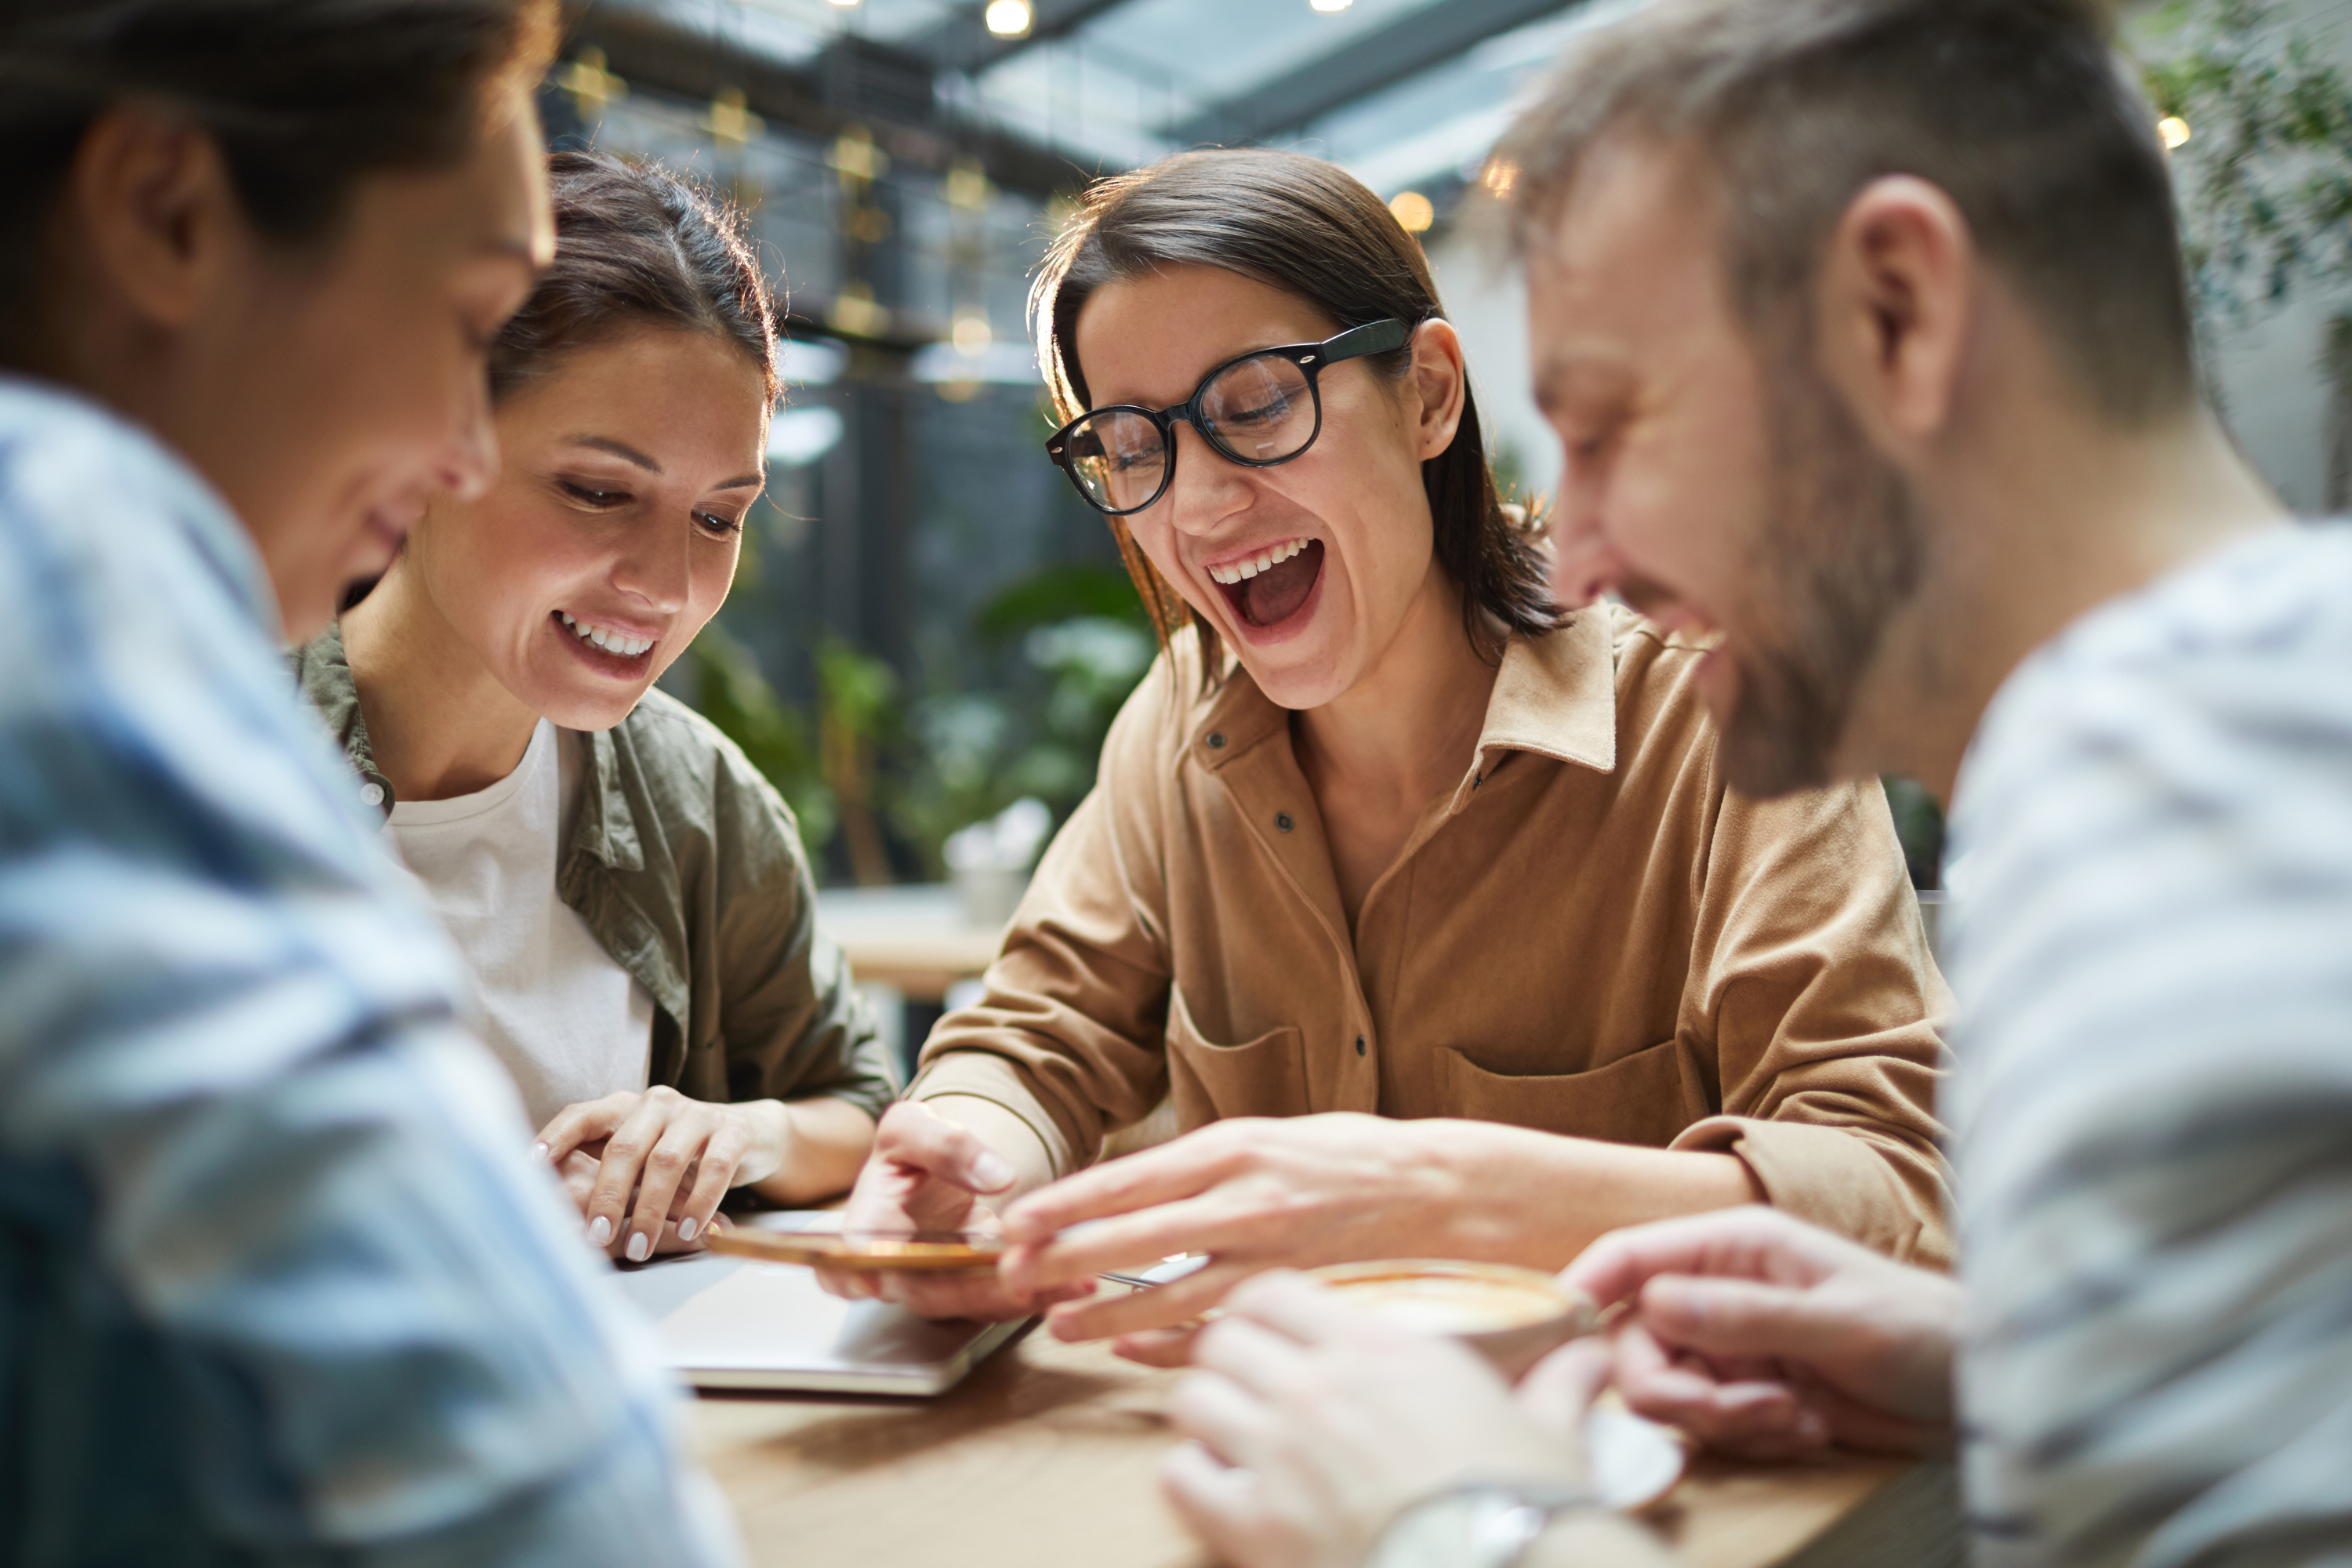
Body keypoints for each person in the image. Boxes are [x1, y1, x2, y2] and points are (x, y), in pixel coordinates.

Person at [1157, 2, 2350, 1566]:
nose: (1574, 553)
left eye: (1606, 424)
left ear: (1898, 311)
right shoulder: (2267, 713)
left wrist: (1466, 1516)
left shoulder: (2154, 780)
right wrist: (2001, 1377)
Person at [826, 147, 1955, 1345]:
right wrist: (967, 1154)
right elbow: (1039, 1035)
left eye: (1257, 404)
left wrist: (1439, 1200)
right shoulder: (1179, 721)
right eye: (1136, 446)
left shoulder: (1726, 709)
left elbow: (1895, 1189)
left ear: (1426, 393)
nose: (1198, 507)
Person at [0, 3, 737, 1560]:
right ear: (167, 215)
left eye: (721, 515)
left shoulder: (689, 790)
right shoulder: (60, 570)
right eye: (472, 328)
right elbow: (546, 1515)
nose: (466, 449)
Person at [295, 151, 892, 1266]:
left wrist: (735, 1132)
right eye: (599, 492)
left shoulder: (697, 800)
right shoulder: (196, 743)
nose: (666, 588)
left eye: (719, 517)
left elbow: (859, 1109)